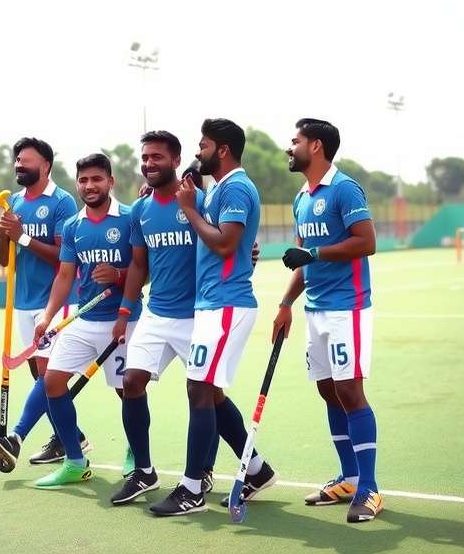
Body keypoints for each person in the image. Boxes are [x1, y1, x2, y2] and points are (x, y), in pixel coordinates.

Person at [149, 118, 277, 516]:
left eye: (203, 145)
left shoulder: (236, 186)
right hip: (212, 304)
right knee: (211, 392)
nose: (197, 151)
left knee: (200, 390)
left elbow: (224, 243)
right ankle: (256, 470)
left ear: (222, 150)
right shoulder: (220, 188)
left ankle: (191, 489)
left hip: (226, 304)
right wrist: (178, 198)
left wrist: (188, 209)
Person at [276, 118, 382, 523]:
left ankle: (369, 488)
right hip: (314, 310)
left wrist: (316, 254)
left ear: (316, 146)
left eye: (296, 141)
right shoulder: (301, 197)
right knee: (327, 390)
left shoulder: (344, 188)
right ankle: (350, 478)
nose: (290, 148)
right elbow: (301, 260)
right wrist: (285, 304)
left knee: (349, 391)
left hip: (347, 308)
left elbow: (366, 242)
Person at [109, 131, 220, 506]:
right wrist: (125, 311)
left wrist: (249, 251)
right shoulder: (140, 210)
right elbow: (139, 265)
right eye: (145, 157)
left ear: (175, 160)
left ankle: (221, 469)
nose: (149, 163)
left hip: (197, 315)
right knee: (131, 382)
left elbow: (226, 241)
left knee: (209, 395)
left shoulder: (199, 201)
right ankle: (143, 472)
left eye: (156, 157)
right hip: (156, 314)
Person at [32, 152, 143, 488]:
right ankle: (75, 461)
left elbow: (145, 269)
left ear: (111, 181)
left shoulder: (130, 217)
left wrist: (119, 275)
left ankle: (137, 453)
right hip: (84, 318)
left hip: (123, 321)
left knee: (128, 392)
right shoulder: (73, 226)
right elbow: (65, 275)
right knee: (52, 382)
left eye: (97, 179)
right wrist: (47, 317)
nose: (89, 185)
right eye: (83, 180)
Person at [0, 137, 89, 472]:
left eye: (25, 160)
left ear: (45, 165)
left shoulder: (62, 202)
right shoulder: (14, 202)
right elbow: (4, 258)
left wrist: (23, 236)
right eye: (17, 160)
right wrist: (5, 234)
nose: (19, 165)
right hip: (23, 301)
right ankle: (70, 437)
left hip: (55, 303)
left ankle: (16, 437)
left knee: (48, 376)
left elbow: (63, 256)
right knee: (39, 374)